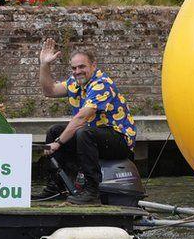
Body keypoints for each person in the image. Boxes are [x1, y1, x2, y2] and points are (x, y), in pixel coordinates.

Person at [37, 39, 136, 204]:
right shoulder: (74, 83)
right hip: (93, 136)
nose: (77, 71)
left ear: (93, 65)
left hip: (119, 140)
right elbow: (49, 90)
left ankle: (91, 190)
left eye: (82, 67)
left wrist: (59, 143)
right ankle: (57, 186)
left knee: (83, 132)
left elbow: (82, 118)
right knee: (55, 130)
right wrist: (44, 65)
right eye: (74, 68)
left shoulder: (102, 84)